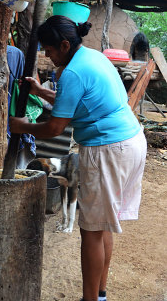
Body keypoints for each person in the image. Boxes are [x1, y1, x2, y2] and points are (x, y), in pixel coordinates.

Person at [9, 15, 147, 301]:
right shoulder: (91, 57)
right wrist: (40, 91)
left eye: (49, 49)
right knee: (102, 224)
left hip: (109, 149)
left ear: (63, 44)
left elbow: (55, 127)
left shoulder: (71, 72)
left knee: (91, 230)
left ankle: (89, 299)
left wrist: (21, 126)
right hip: (131, 141)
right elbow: (74, 103)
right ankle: (100, 294)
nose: (47, 55)